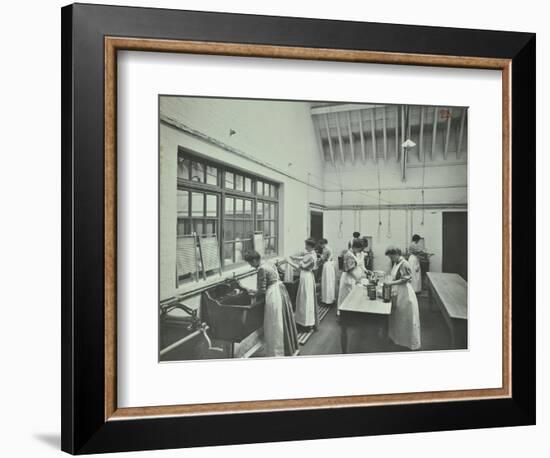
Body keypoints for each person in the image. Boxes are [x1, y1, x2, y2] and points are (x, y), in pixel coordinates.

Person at [244, 250, 299, 357]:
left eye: (250, 263)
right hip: (281, 290)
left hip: (273, 294)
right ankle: (287, 347)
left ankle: (277, 351)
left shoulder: (261, 269)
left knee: (274, 322)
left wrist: (252, 293)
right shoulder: (268, 262)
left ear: (255, 260)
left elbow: (262, 290)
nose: (251, 266)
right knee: (281, 320)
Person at [385, 246, 421, 350]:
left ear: (396, 254)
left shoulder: (404, 263)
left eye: (391, 257)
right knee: (398, 316)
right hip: (399, 291)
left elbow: (406, 278)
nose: (391, 259)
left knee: (405, 317)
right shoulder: (397, 263)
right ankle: (398, 339)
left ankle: (408, 341)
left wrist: (391, 282)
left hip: (405, 293)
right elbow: (395, 276)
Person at [287, 238, 319, 330]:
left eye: (306, 245)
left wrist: (289, 261)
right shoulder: (312, 253)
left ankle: (304, 323)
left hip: (305, 276)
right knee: (307, 298)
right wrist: (295, 258)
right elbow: (304, 257)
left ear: (310, 246)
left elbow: (299, 267)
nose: (305, 247)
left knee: (304, 299)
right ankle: (307, 321)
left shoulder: (310, 256)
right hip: (308, 276)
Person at [337, 239, 366, 315]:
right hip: (349, 278)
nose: (360, 251)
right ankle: (344, 315)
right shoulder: (348, 255)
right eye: (359, 249)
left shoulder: (355, 253)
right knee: (346, 297)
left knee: (352, 297)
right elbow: (349, 270)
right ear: (355, 247)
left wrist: (363, 273)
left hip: (353, 278)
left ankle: (351, 313)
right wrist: (358, 279)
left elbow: (358, 265)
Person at [319, 238, 336, 305]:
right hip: (330, 265)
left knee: (327, 282)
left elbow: (323, 259)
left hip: (327, 266)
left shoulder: (326, 249)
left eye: (321, 245)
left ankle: (327, 300)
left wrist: (319, 257)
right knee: (329, 282)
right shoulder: (329, 248)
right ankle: (330, 299)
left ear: (323, 244)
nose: (321, 246)